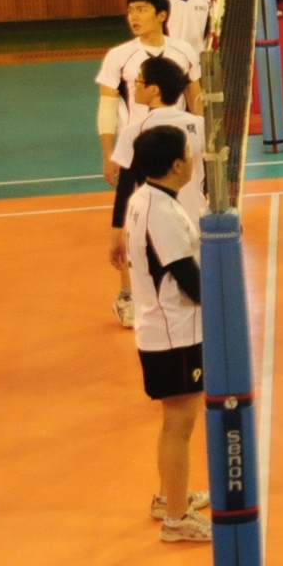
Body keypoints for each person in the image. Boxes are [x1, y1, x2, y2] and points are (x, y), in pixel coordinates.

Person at [122, 123, 212, 543]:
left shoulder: (142, 197)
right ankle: (177, 519)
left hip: (159, 329)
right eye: (189, 155)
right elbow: (190, 281)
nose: (193, 160)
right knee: (180, 425)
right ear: (177, 165)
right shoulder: (163, 213)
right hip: (175, 335)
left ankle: (168, 497)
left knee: (172, 422)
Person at [98, 0, 203, 327]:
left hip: (175, 141)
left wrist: (200, 131)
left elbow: (196, 95)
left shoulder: (183, 51)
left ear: (161, 15)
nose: (134, 16)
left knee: (183, 218)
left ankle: (189, 290)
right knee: (136, 219)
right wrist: (109, 153)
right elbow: (107, 106)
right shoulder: (119, 56)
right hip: (138, 145)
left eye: (141, 9)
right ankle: (127, 294)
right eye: (130, 10)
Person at [109, 56, 207, 284]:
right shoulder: (200, 125)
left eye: (139, 81)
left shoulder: (134, 132)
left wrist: (116, 232)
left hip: (157, 227)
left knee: (166, 291)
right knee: (201, 289)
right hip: (198, 221)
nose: (135, 86)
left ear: (154, 90)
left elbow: (126, 186)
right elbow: (211, 175)